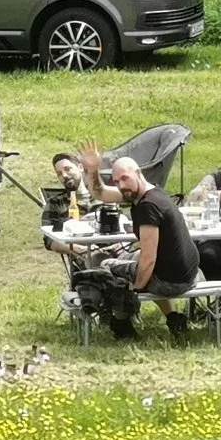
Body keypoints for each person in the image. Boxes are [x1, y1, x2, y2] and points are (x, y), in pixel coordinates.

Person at [79, 144, 200, 336]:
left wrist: (136, 290)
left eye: (125, 178)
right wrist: (93, 170)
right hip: (188, 274)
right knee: (135, 258)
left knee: (107, 266)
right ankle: (174, 319)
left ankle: (122, 324)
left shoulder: (148, 207)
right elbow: (100, 193)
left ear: (139, 173)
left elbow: (149, 259)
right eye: (117, 181)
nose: (121, 185)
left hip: (171, 281)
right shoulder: (153, 193)